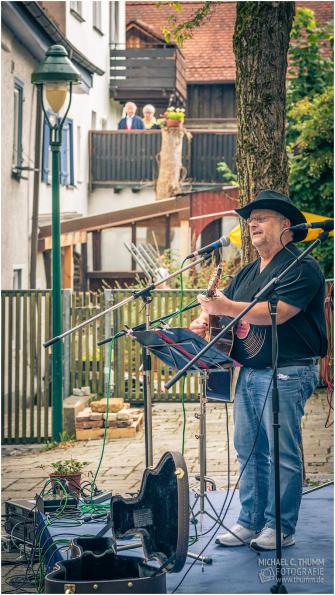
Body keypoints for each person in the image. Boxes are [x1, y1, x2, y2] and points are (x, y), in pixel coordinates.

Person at [190, 190, 327, 551]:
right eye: (250, 218)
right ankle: (249, 522)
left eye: (262, 217)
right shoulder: (250, 271)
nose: (252, 223)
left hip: (289, 370)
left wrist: (226, 306)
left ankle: (281, 527)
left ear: (286, 225)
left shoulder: (303, 266)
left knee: (282, 452)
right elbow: (224, 306)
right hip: (250, 371)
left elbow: (277, 312)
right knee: (248, 449)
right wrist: (204, 317)